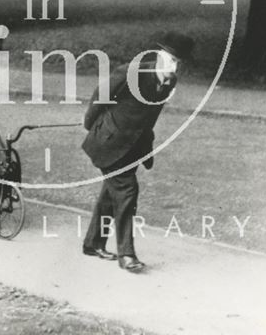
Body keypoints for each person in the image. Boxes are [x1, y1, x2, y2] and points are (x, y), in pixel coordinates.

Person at [81, 32, 194, 272]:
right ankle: (127, 255)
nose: (173, 67)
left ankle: (93, 243)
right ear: (159, 55)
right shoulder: (132, 71)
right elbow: (100, 97)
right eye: (170, 59)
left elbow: (149, 115)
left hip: (131, 147)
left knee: (111, 194)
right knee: (126, 190)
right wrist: (93, 127)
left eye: (178, 63)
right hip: (109, 141)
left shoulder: (169, 81)